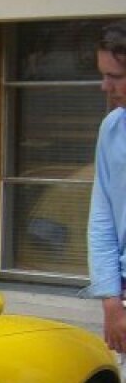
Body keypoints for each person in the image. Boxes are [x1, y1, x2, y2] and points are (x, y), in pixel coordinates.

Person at [85, 20, 126, 352]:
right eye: (103, 75)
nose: (105, 86)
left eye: (115, 76)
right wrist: (111, 301)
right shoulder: (112, 129)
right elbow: (102, 218)